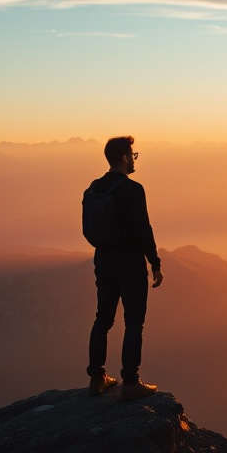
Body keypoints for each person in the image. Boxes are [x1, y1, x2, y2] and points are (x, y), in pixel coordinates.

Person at [85, 136, 163, 400]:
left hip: (103, 262)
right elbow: (144, 229)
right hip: (130, 265)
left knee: (103, 320)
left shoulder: (94, 189)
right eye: (132, 154)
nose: (134, 159)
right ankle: (130, 382)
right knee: (133, 323)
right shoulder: (133, 189)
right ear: (123, 158)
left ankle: (97, 378)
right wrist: (155, 263)